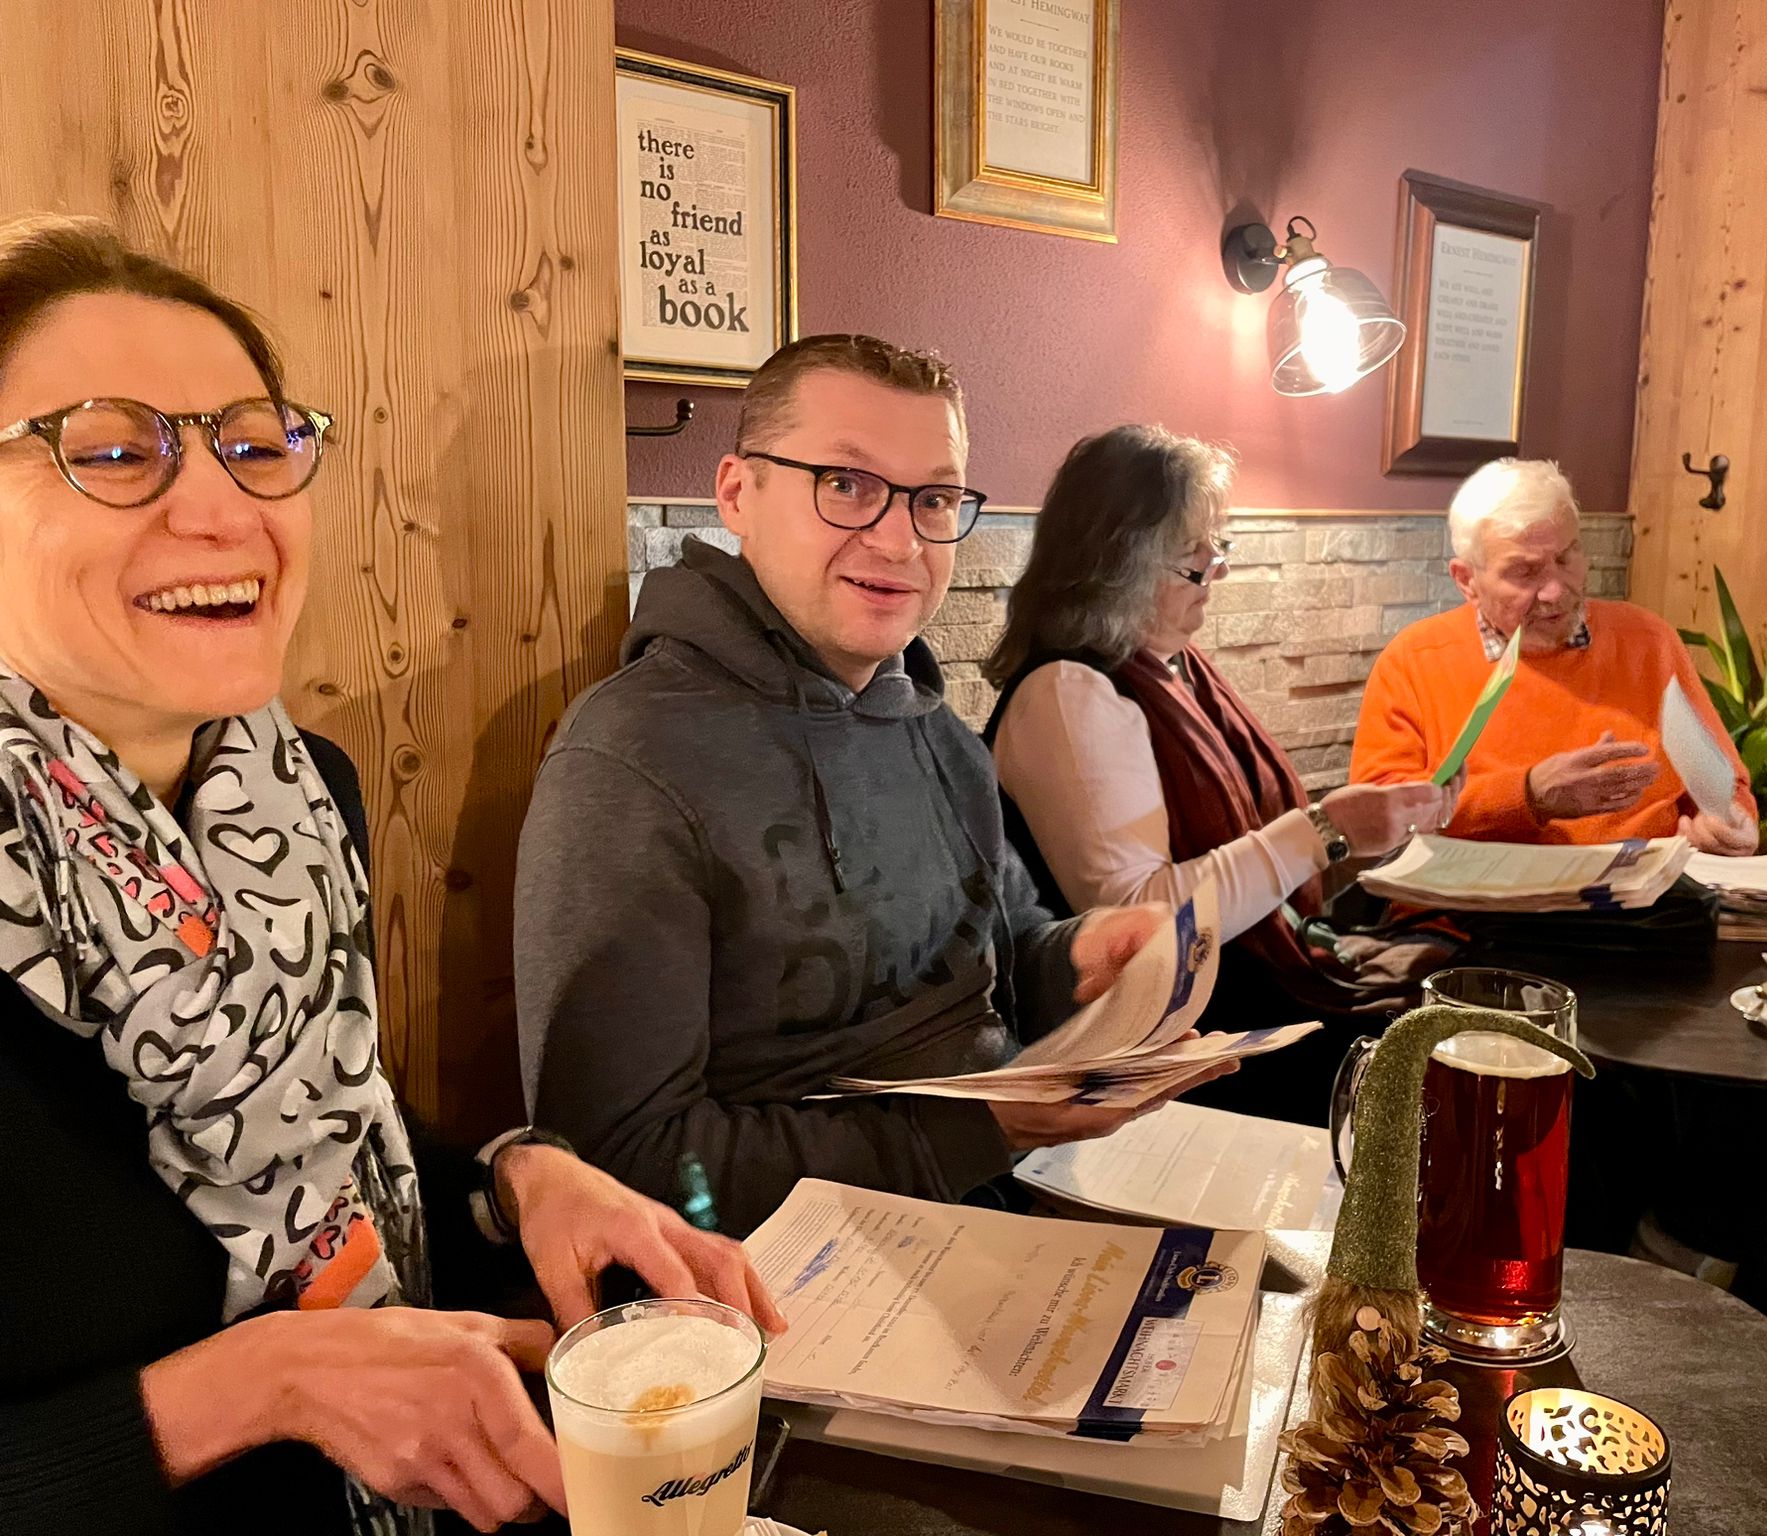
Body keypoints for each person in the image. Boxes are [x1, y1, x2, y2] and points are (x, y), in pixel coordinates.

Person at [0, 214, 781, 1536]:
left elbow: (324, 1140)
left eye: (255, 446)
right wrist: (247, 1390)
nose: (222, 508)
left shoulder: (298, 795)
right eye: (115, 452)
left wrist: (519, 1180)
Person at [516, 337, 1222, 1238]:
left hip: (1017, 1198)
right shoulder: (632, 760)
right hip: (792, 1274)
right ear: (737, 493)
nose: (898, 540)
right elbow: (622, 1166)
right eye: (845, 484)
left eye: (933, 499)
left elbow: (1003, 956)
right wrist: (980, 1130)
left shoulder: (937, 731)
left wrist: (1086, 958)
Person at [982, 425, 1455, 1118]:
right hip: (1180, 1034)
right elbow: (1140, 916)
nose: (1218, 571)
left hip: (1247, 981)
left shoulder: (1173, 665)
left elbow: (1254, 862)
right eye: (1192, 558)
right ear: (1118, 563)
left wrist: (1359, 835)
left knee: (1464, 987)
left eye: (1216, 546)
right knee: (1444, 1060)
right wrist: (1324, 832)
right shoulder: (1067, 693)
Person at [1349, 457, 1758, 852]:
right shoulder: (1415, 661)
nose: (1555, 589)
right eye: (1525, 572)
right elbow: (1376, 821)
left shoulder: (1649, 641)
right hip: (1484, 895)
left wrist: (1729, 824)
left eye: (1565, 558)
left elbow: (1726, 787)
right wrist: (1527, 795)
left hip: (1644, 891)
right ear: (1467, 580)